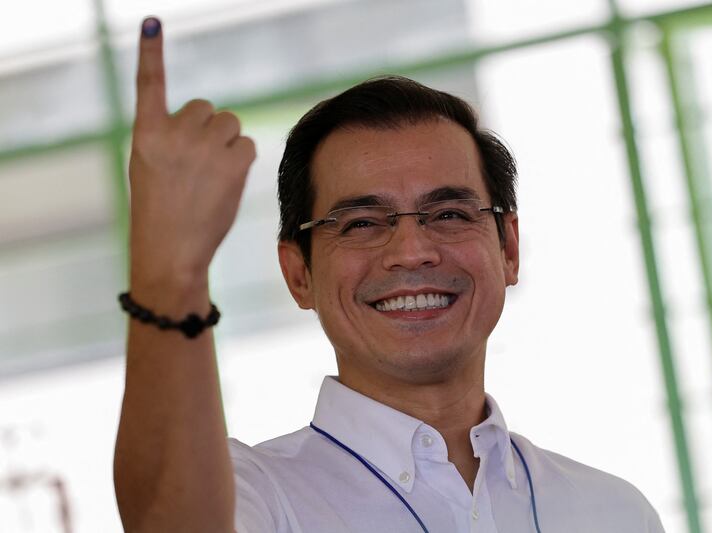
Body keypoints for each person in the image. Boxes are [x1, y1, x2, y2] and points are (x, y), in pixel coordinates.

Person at [113, 16, 666, 533]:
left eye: (448, 214)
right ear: (297, 273)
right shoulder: (257, 498)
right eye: (360, 223)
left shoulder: (611, 511)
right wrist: (171, 273)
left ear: (509, 247)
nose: (411, 250)